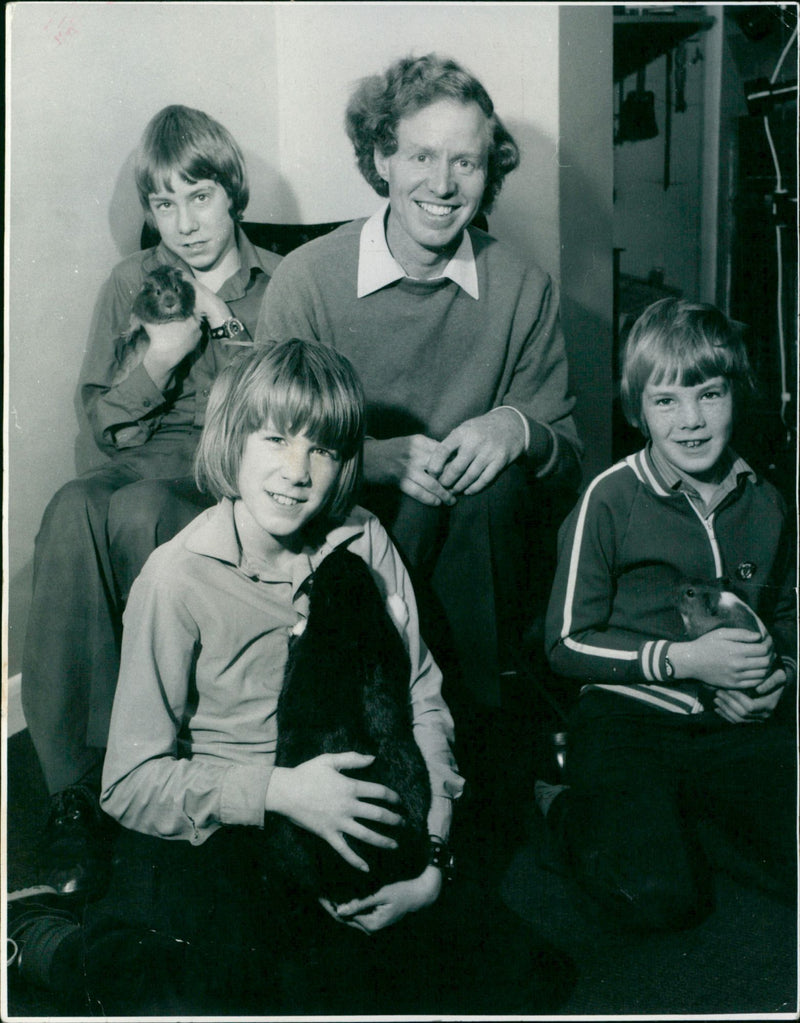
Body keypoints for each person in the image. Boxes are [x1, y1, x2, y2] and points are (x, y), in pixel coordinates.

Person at [7, 341, 574, 1016]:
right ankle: (51, 942)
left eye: (322, 449)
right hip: (235, 824)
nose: (297, 471)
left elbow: (421, 697)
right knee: (240, 997)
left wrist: (431, 855)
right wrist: (283, 791)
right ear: (233, 439)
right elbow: (129, 785)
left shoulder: (363, 538)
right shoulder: (176, 576)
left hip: (360, 811)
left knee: (532, 980)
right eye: (275, 438)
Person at [254, 55, 583, 790]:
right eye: (422, 156)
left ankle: (475, 750)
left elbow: (567, 455)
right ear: (381, 159)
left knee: (496, 490)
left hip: (473, 543)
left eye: (466, 161)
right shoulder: (306, 279)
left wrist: (517, 427)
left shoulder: (524, 286)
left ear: (488, 172)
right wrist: (366, 456)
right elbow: (262, 445)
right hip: (341, 529)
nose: (443, 184)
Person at [21, 104, 283, 897]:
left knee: (142, 511)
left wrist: (220, 331)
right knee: (71, 506)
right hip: (134, 460)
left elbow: (279, 421)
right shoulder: (128, 283)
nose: (184, 223)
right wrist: (162, 360)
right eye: (164, 204)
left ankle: (165, 754)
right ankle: (76, 786)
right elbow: (101, 426)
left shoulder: (279, 281)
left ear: (233, 194)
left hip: (223, 467)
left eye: (199, 197)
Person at [540, 298, 797, 932]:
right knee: (656, 896)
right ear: (638, 409)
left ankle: (686, 818)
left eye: (709, 394)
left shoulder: (766, 501)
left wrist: (778, 677)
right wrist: (682, 660)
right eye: (666, 401)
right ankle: (563, 807)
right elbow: (565, 642)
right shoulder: (610, 498)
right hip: (627, 719)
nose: (691, 420)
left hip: (731, 724)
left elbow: (788, 618)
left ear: (735, 393)